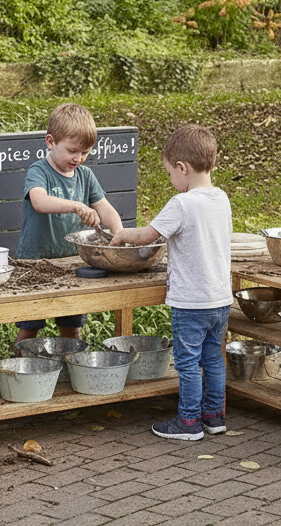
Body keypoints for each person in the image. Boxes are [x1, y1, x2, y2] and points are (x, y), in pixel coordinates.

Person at [109, 125, 232, 440]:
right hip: (219, 299)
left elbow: (148, 235)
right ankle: (214, 417)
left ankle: (188, 423)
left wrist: (123, 234)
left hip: (190, 302)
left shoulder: (182, 204)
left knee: (188, 363)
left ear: (182, 168)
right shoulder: (221, 198)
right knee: (213, 359)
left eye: (170, 174)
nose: (171, 181)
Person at [14, 103, 124, 347]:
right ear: (51, 142)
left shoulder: (85, 175)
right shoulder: (39, 170)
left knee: (72, 328)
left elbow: (105, 208)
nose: (78, 158)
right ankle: (17, 370)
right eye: (72, 151)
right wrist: (77, 205)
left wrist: (118, 233)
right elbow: (39, 201)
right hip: (36, 264)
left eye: (85, 152)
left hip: (72, 265)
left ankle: (70, 369)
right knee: (29, 328)